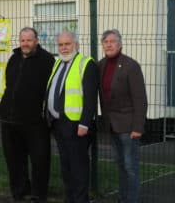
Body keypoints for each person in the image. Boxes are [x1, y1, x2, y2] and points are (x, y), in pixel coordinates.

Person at [0, 27, 55, 203]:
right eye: (23, 40)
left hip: (34, 121)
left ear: (36, 41)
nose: (25, 44)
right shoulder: (14, 58)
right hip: (9, 118)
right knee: (14, 160)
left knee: (40, 160)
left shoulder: (47, 60)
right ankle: (19, 191)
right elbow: (9, 83)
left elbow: (51, 89)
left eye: (29, 40)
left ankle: (38, 195)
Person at [45, 31, 98, 203]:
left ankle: (81, 200)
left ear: (76, 44)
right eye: (60, 45)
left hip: (77, 126)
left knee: (78, 168)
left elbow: (90, 98)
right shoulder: (58, 63)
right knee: (66, 167)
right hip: (59, 124)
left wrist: (85, 124)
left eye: (67, 44)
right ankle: (70, 199)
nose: (64, 48)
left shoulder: (86, 64)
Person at [98, 29, 147, 203]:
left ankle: (131, 200)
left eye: (112, 41)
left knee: (130, 167)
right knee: (120, 165)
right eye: (105, 42)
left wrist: (137, 127)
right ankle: (122, 198)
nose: (109, 44)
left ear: (120, 44)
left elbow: (140, 98)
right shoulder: (100, 65)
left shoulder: (131, 66)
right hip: (111, 125)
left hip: (128, 127)